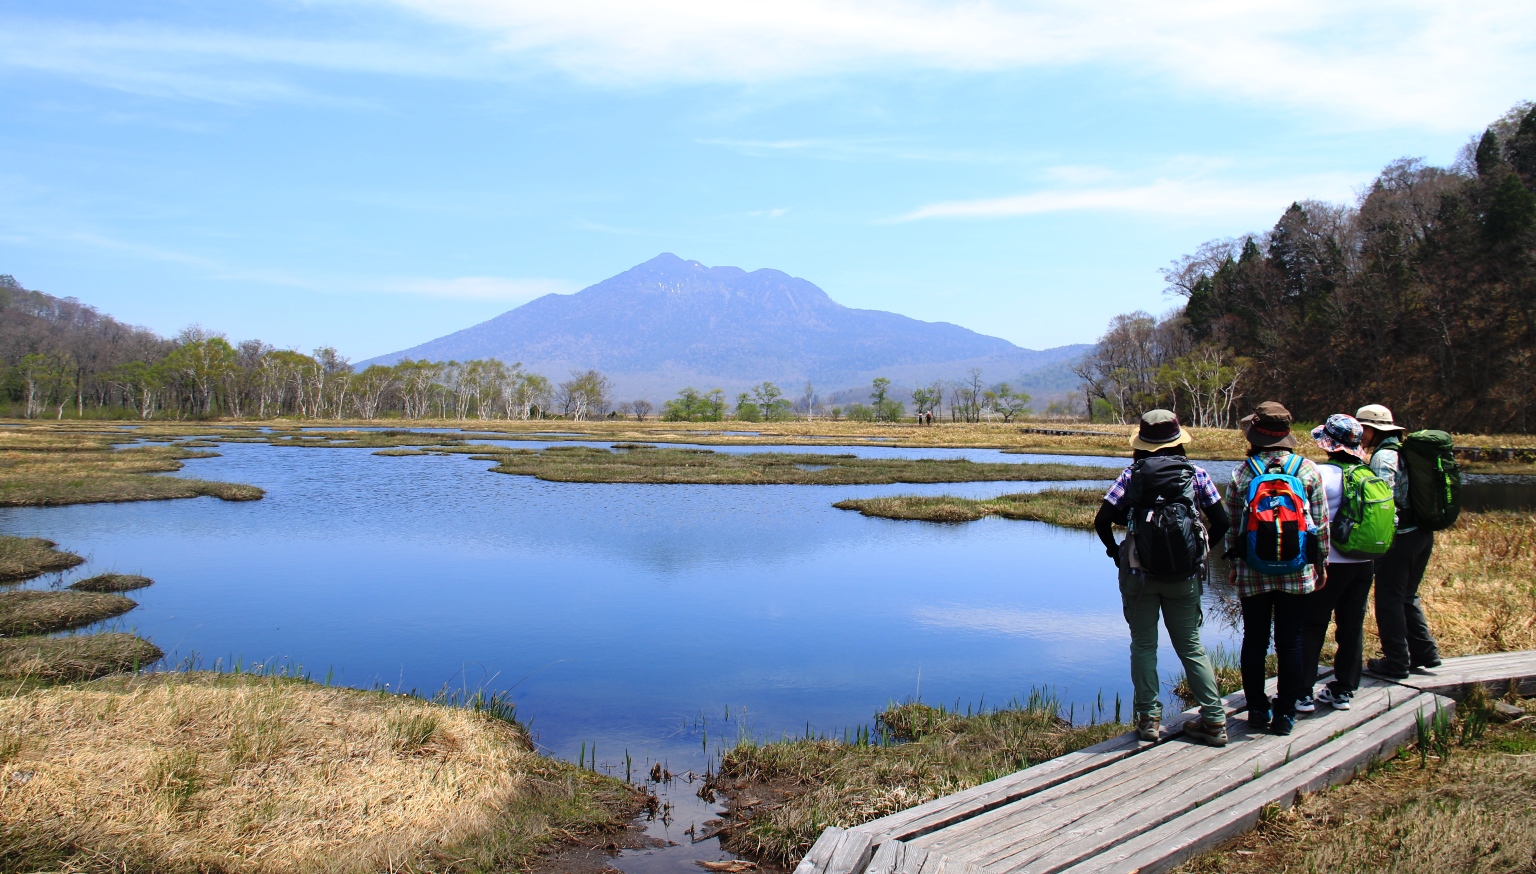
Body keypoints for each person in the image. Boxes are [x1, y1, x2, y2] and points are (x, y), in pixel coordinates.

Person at [1095, 410, 1231, 747]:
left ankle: (1149, 721)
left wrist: (1116, 552)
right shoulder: (1196, 474)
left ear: (1142, 442)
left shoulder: (1131, 475)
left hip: (1139, 576)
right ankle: (1214, 720)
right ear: (1177, 440)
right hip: (1184, 577)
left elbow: (1102, 520)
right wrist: (1199, 553)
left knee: (1144, 646)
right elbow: (1223, 522)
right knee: (1191, 646)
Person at [1224, 402, 1328, 737]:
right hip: (1297, 571)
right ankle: (1284, 714)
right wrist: (1320, 564)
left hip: (1254, 569)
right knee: (1291, 642)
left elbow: (1233, 527)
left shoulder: (1244, 472)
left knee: (1254, 639)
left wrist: (1234, 563)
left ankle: (1256, 709)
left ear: (1255, 435)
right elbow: (1321, 525)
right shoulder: (1308, 470)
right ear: (1287, 434)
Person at [1357, 404, 1441, 679]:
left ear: (1373, 430)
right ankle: (1424, 653)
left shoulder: (1382, 458)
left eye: (1362, 429)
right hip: (1421, 535)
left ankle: (1396, 661)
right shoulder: (1402, 451)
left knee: (1388, 600)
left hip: (1401, 538)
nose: (1359, 435)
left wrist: (1379, 543)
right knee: (1407, 596)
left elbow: (1383, 504)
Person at [1300, 415, 1376, 712]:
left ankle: (1302, 692)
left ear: (1328, 444)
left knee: (1313, 622)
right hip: (1364, 562)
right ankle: (1343, 690)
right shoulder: (1369, 475)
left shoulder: (1320, 473)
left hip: (1330, 562)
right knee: (1352, 624)